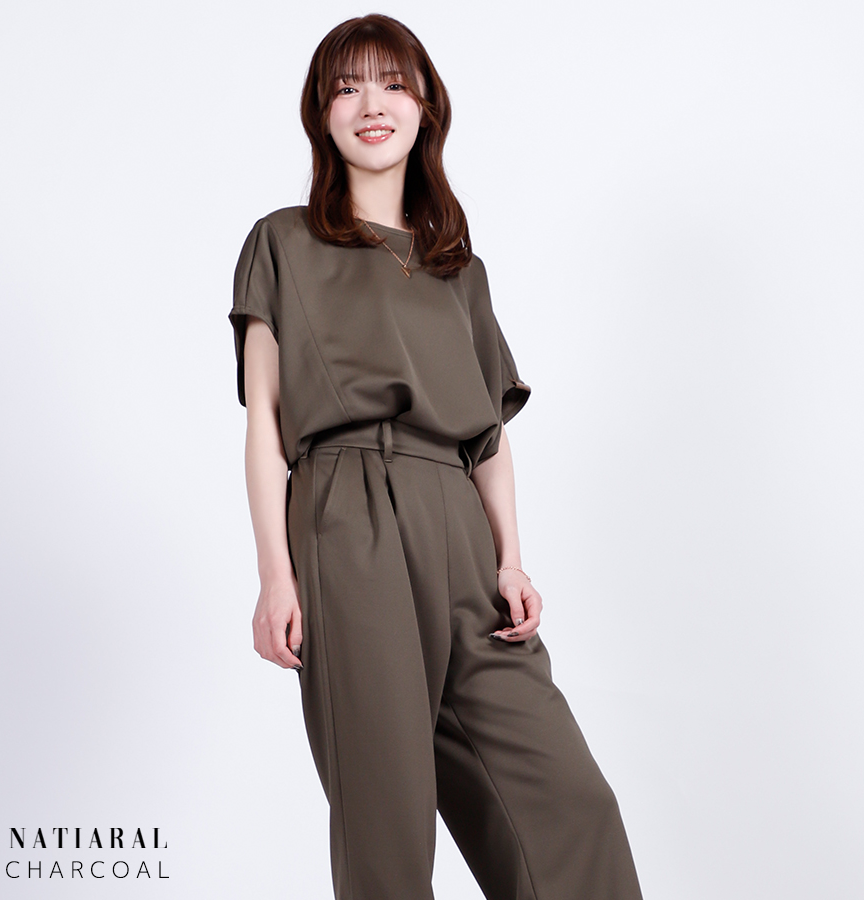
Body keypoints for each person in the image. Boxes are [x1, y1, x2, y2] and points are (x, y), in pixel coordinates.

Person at [229, 13, 644, 900]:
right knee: (388, 819)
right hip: (349, 518)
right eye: (347, 87)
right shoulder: (283, 241)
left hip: (457, 519)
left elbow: (488, 437)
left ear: (426, 109)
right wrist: (275, 576)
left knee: (571, 804)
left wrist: (511, 559)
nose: (370, 105)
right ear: (321, 113)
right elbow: (264, 421)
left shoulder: (460, 270)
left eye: (392, 85)